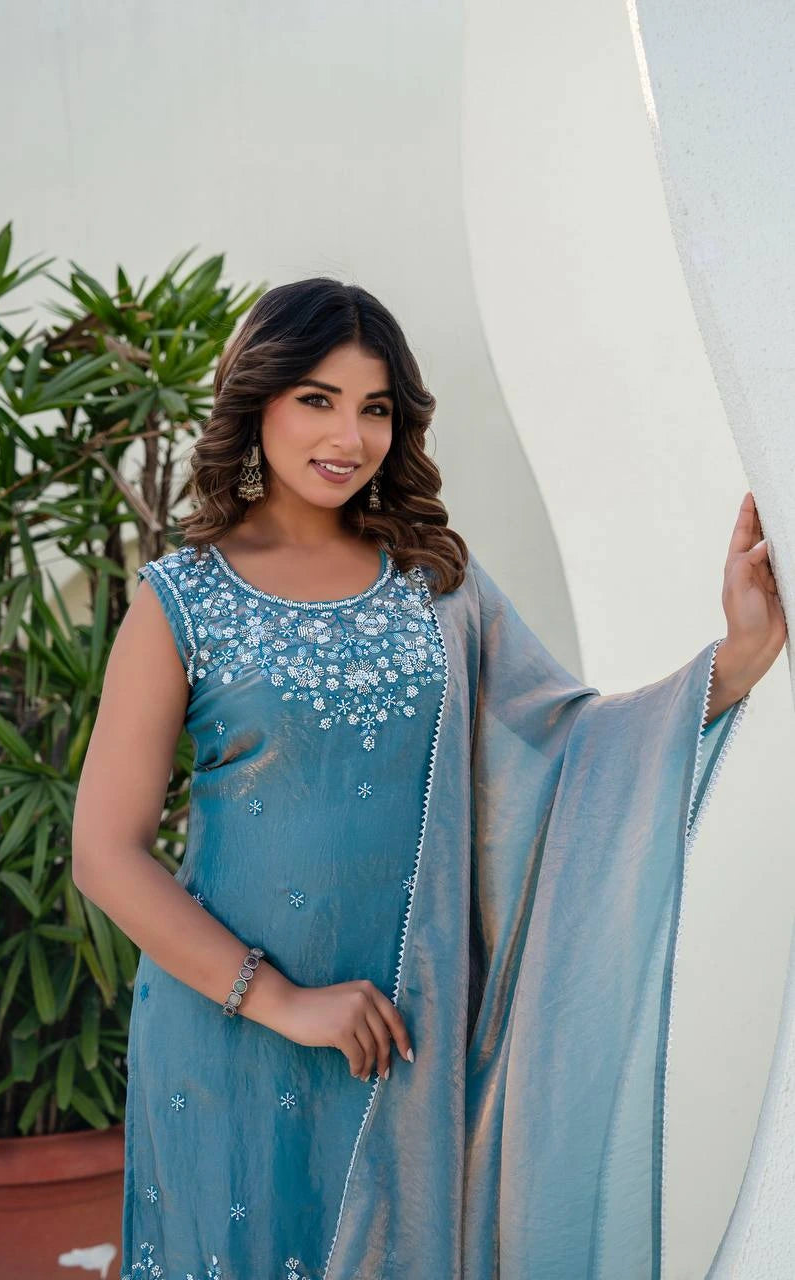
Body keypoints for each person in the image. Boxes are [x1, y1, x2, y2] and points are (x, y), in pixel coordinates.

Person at [71, 278, 784, 1280]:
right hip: (228, 1033)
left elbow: (569, 745)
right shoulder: (183, 598)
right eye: (317, 398)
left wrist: (737, 659)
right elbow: (104, 851)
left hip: (406, 1039)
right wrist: (278, 998)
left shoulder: (434, 583)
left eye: (374, 407)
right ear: (258, 400)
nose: (348, 434)